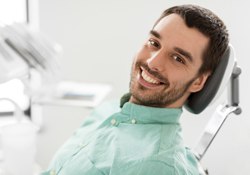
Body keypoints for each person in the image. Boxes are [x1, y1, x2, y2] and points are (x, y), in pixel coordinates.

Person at [41, 4, 229, 175]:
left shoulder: (157, 165)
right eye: (154, 43)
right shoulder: (107, 110)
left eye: (178, 58)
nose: (152, 62)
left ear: (198, 82)